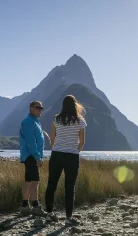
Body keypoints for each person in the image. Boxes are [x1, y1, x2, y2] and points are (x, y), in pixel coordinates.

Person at [45, 95, 86, 226]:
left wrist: (55, 149)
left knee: (51, 184)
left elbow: (52, 138)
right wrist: (75, 151)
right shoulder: (80, 121)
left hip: (56, 154)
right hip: (72, 156)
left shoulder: (56, 119)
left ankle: (49, 215)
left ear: (63, 105)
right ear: (75, 105)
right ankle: (68, 218)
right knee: (70, 187)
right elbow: (82, 141)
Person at [19, 101, 46, 217]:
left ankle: (25, 207)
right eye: (37, 108)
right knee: (34, 181)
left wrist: (39, 155)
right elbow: (31, 141)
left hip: (32, 155)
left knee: (29, 181)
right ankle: (35, 207)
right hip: (31, 155)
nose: (39, 110)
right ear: (31, 108)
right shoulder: (29, 121)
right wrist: (37, 156)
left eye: (41, 108)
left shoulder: (35, 121)